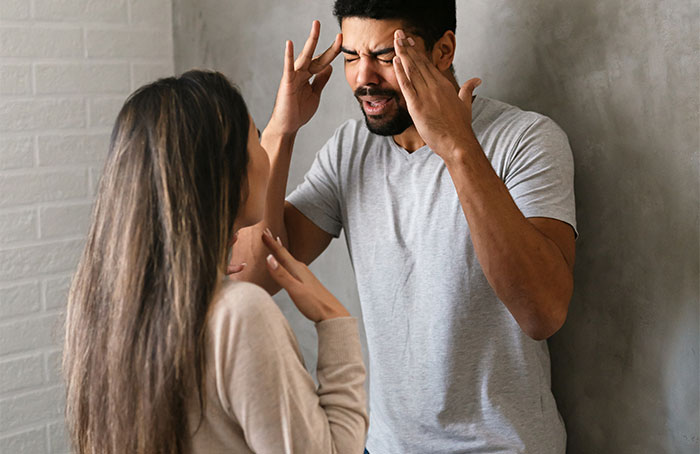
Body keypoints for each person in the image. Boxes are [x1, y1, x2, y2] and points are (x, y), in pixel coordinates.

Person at [234, 0, 577, 452]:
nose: (363, 78)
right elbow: (257, 272)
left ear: (443, 51)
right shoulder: (349, 150)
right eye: (352, 57)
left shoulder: (525, 139)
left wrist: (457, 147)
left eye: (383, 56)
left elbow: (542, 313)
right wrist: (282, 127)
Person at [62, 70, 368, 454]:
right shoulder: (239, 314)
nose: (264, 152)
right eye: (256, 139)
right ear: (228, 173)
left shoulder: (98, 303)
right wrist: (334, 320)